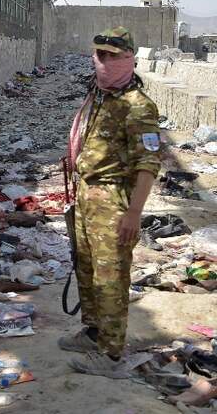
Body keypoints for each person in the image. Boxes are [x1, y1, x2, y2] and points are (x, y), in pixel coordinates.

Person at [59, 27, 162, 377]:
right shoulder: (101, 95)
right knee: (86, 269)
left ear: (129, 58)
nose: (103, 62)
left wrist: (134, 213)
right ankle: (92, 332)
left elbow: (148, 164)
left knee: (110, 277)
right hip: (87, 194)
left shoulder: (138, 106)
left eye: (111, 56)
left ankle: (112, 353)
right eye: (99, 55)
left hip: (113, 200)